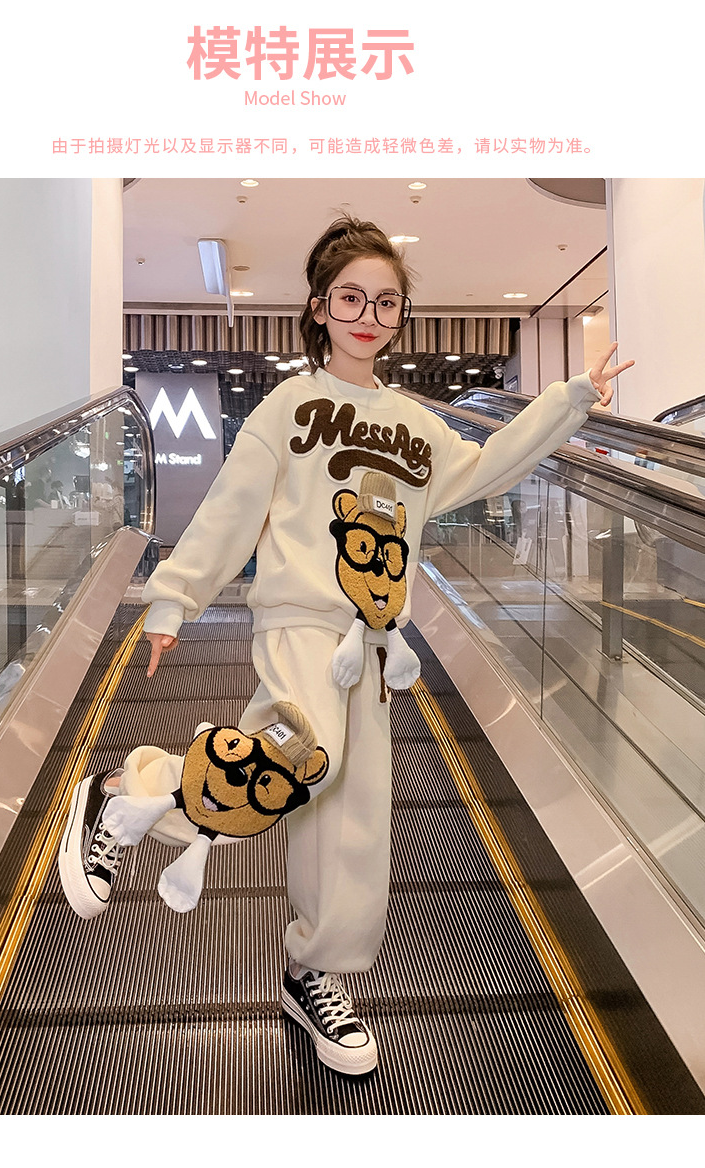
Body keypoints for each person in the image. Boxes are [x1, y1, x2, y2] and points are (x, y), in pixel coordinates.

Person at [59, 215, 633, 1077]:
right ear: (320, 308)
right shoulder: (290, 407)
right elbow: (232, 506)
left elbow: (489, 465)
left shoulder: (414, 425)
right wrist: (175, 596)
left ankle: (313, 972)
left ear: (400, 315)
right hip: (298, 621)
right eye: (352, 298)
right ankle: (126, 792)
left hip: (373, 643)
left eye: (386, 302)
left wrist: (569, 399)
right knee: (305, 758)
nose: (369, 315)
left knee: (351, 821)